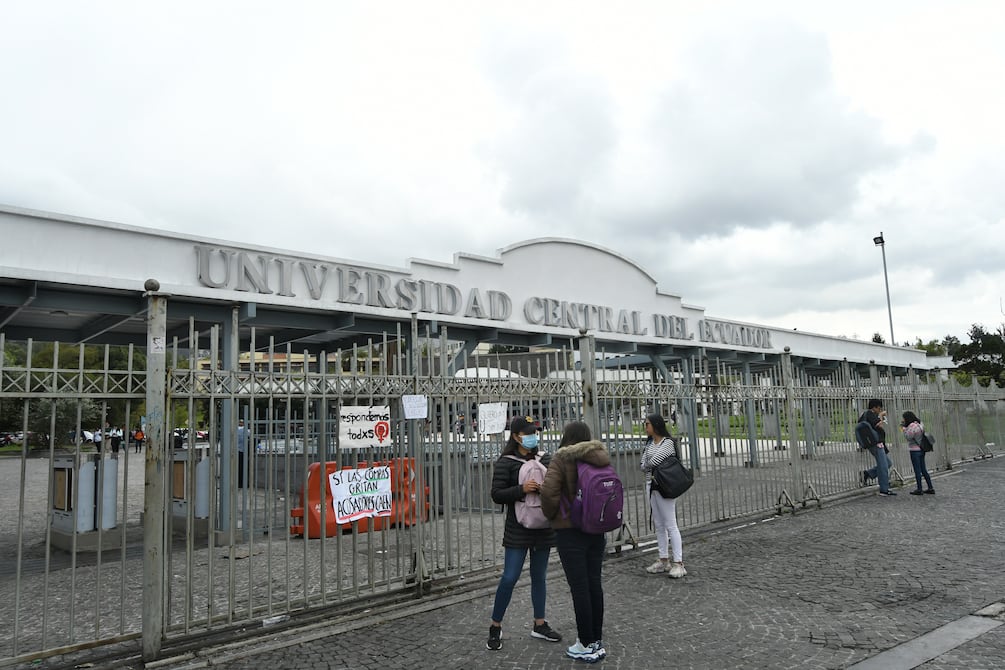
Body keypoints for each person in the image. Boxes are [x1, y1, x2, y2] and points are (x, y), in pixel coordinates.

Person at [486, 415, 562, 651]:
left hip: (543, 526)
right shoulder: (506, 462)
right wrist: (522, 489)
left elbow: (556, 487)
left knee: (539, 576)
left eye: (534, 432)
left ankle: (539, 623)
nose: (532, 436)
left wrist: (544, 488)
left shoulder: (545, 458)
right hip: (518, 528)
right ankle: (495, 625)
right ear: (517, 436)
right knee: (509, 577)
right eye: (528, 433)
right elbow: (497, 494)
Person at [541, 420, 610, 663]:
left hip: (570, 530)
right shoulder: (600, 456)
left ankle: (585, 643)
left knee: (579, 588)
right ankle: (596, 640)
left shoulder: (561, 459)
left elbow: (548, 493)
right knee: (594, 584)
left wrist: (553, 516)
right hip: (596, 529)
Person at [640, 413, 687, 577]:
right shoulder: (649, 443)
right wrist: (648, 463)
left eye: (647, 424)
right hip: (650, 485)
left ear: (656, 425)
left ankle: (679, 562)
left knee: (670, 523)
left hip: (664, 486)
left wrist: (648, 463)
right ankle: (663, 559)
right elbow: (643, 464)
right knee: (659, 524)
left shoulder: (667, 443)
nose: (645, 427)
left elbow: (652, 462)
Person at [859, 399, 896, 496]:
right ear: (874, 407)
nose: (880, 410)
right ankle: (884, 489)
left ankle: (867, 474)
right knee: (883, 466)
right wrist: (881, 416)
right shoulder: (870, 414)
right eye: (879, 408)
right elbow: (878, 424)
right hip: (876, 443)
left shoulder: (865, 415)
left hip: (875, 443)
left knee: (887, 463)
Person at [901, 411, 935, 495]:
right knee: (923, 469)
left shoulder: (912, 426)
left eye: (904, 418)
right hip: (921, 449)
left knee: (917, 470)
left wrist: (904, 429)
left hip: (914, 450)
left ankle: (919, 489)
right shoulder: (920, 424)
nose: (903, 420)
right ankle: (930, 487)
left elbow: (908, 437)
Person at [237, 419, 248, 489]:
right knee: (244, 468)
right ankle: (244, 483)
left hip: (237, 451)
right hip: (245, 452)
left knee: (238, 468)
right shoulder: (247, 431)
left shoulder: (236, 430)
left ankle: (239, 483)